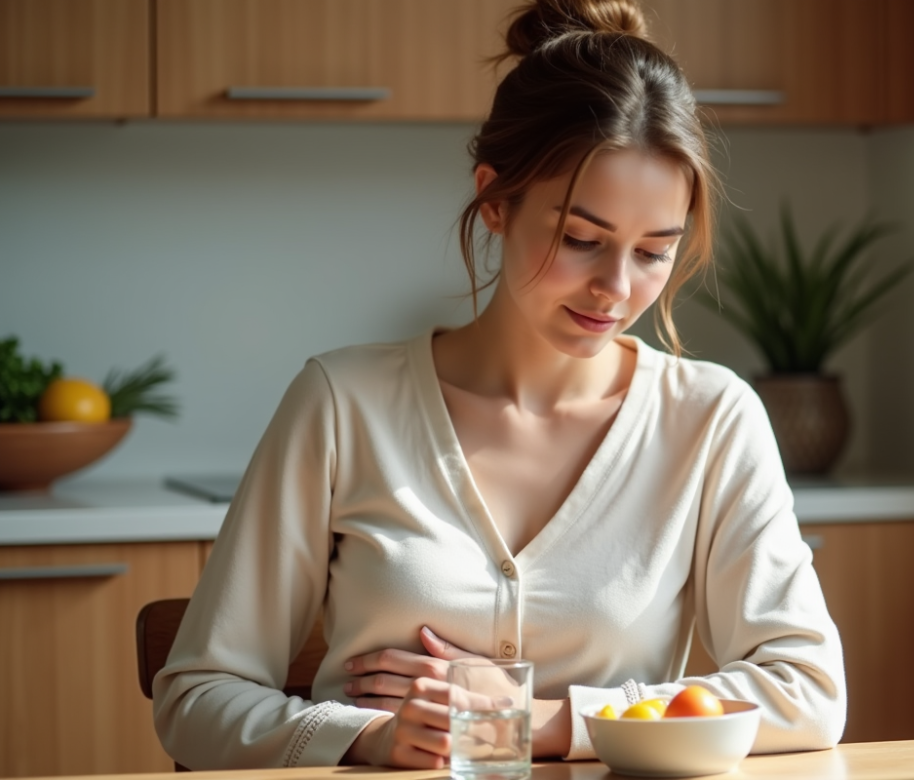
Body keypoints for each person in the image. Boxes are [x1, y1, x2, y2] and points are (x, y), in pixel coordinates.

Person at [152, 0, 847, 769]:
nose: (615, 288)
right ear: (493, 199)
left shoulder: (711, 420)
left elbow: (809, 691)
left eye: (654, 252)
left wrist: (530, 719)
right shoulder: (343, 404)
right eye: (581, 239)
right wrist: (372, 737)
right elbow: (196, 698)